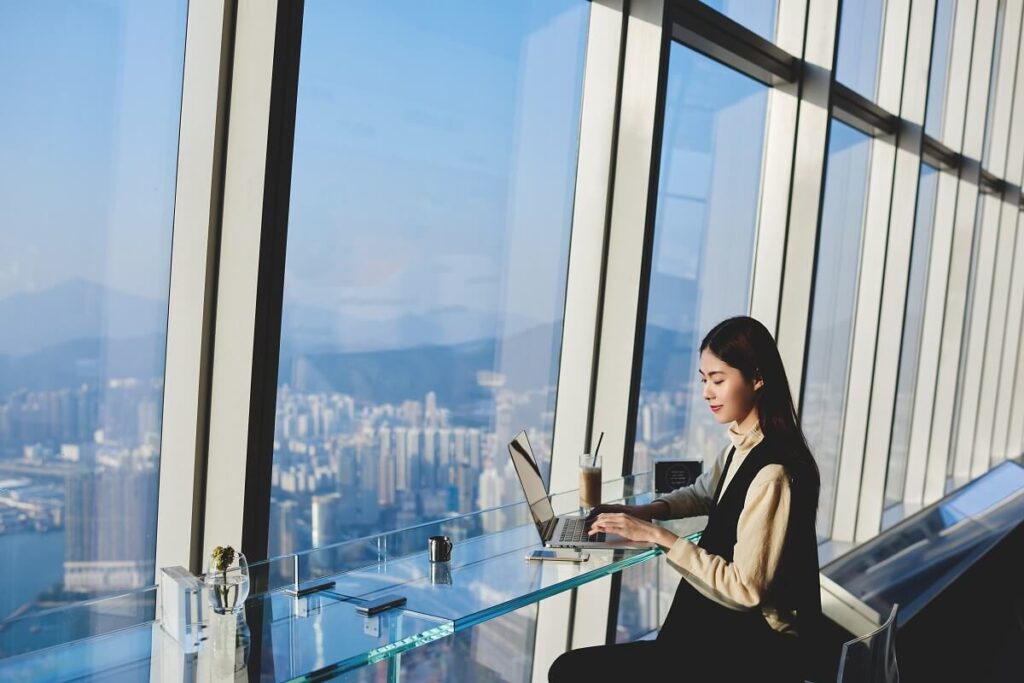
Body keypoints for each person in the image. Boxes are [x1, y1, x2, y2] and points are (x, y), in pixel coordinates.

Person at [549, 316, 821, 683]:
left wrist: (658, 536)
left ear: (757, 378)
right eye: (704, 379)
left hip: (753, 651)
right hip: (720, 634)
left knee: (569, 671)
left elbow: (745, 590)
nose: (707, 392)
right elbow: (703, 494)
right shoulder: (742, 446)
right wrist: (642, 512)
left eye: (718, 380)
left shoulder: (772, 472)